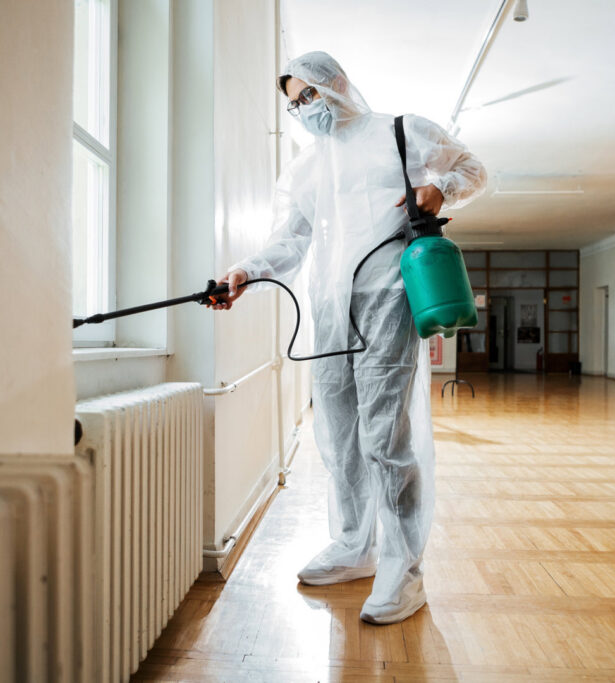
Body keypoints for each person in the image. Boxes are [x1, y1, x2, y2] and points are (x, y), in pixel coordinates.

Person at [208, 51, 486, 624]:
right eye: (292, 104)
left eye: (307, 95)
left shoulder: (400, 132)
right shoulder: (308, 169)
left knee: (384, 436)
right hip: (330, 305)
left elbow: (473, 170)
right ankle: (355, 545)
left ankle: (403, 570)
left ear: (335, 84)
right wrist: (245, 272)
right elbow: (290, 242)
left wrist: (438, 189)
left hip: (388, 298)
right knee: (336, 433)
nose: (303, 109)